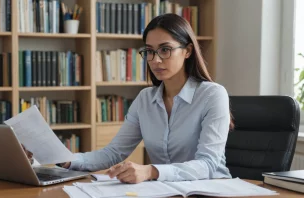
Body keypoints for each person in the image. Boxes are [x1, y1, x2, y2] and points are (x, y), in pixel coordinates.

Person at [24, 13, 234, 184]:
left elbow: (208, 164)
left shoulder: (212, 95)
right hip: (167, 191)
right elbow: (114, 153)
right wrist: (66, 160)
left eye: (165, 50)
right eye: (149, 52)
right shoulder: (145, 99)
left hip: (211, 190)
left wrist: (151, 171)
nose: (155, 60)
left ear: (187, 51)